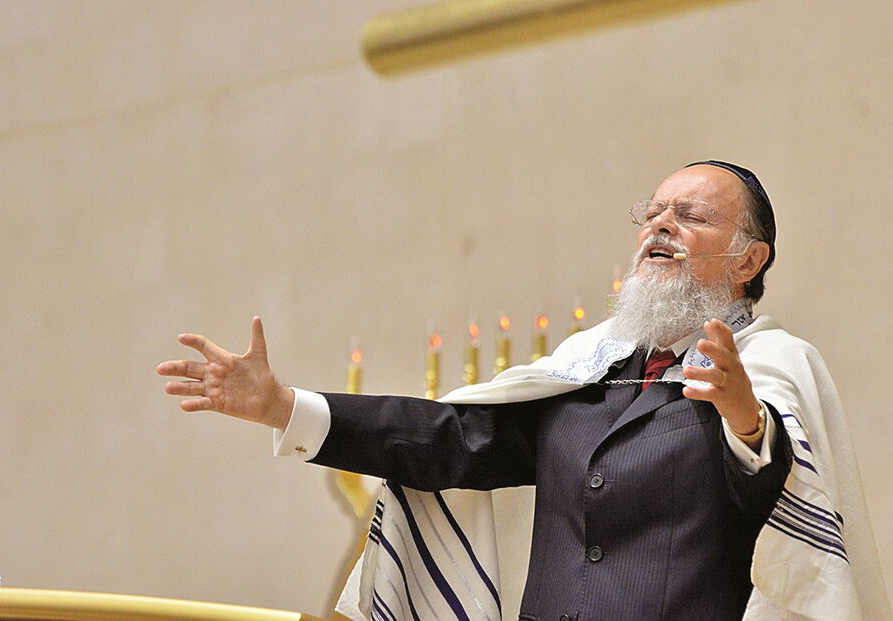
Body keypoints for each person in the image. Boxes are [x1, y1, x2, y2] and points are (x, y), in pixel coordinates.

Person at [157, 162, 889, 620]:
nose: (659, 226)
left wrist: (743, 417)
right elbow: (451, 440)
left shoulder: (771, 365)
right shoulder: (587, 365)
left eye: (691, 216)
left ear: (748, 259)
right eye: (653, 214)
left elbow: (792, 515)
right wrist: (284, 406)